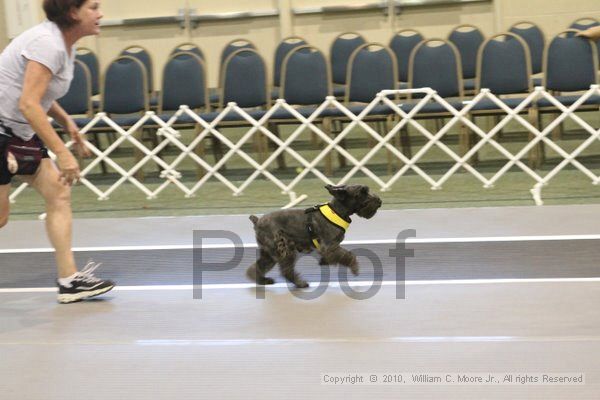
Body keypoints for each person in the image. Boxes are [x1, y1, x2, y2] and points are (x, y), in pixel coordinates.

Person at [0, 0, 114, 303]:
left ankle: (69, 281)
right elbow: (28, 103)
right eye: (93, 7)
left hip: (18, 130)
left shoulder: (64, 44)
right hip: (3, 128)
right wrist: (62, 152)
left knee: (58, 194)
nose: (100, 13)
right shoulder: (47, 43)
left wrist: (67, 123)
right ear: (73, 12)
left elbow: (40, 94)